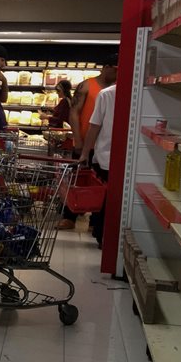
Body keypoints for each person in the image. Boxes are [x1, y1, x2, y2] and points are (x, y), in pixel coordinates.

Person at [60, 57, 118, 229]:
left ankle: (96, 220)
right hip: (85, 142)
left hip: (103, 146)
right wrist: (78, 140)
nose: (117, 73)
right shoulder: (87, 85)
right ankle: (69, 217)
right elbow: (74, 113)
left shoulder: (116, 90)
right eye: (115, 69)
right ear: (106, 67)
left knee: (100, 185)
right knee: (77, 182)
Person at [77, 78, 118, 249]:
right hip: (120, 158)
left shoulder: (107, 94)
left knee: (103, 199)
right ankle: (106, 236)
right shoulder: (140, 94)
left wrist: (85, 153)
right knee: (114, 202)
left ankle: (100, 234)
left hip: (105, 156)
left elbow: (94, 126)